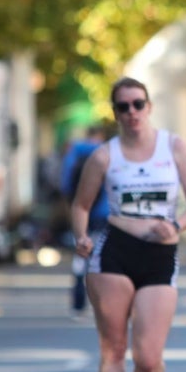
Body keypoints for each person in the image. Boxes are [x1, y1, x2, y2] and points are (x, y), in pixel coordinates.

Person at [70, 77, 186, 372]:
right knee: (112, 348)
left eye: (137, 104)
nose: (131, 112)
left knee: (148, 359)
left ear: (148, 106)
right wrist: (80, 236)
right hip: (114, 250)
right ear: (114, 113)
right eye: (122, 107)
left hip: (160, 254)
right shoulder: (103, 156)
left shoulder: (173, 146)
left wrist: (177, 225)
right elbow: (81, 205)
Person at [61, 125, 108, 316]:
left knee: (81, 255)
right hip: (103, 214)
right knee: (102, 257)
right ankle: (102, 302)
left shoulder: (74, 153)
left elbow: (65, 185)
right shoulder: (107, 152)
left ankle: (79, 302)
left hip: (80, 214)